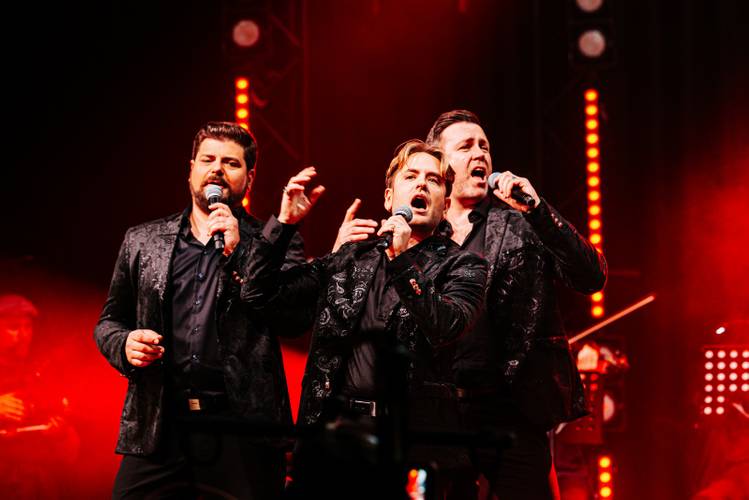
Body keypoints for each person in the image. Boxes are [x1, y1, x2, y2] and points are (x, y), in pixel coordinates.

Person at [242, 140, 488, 498]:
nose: (421, 184)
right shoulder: (350, 256)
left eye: (433, 180)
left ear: (445, 204)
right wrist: (284, 225)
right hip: (334, 437)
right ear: (389, 198)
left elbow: (446, 326)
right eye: (411, 176)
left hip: (410, 444)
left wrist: (402, 259)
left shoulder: (465, 265)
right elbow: (259, 296)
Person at [94, 122, 305, 499]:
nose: (217, 169)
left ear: (250, 178)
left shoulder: (276, 243)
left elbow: (291, 318)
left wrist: (241, 251)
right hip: (162, 423)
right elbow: (109, 321)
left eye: (231, 163)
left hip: (241, 428)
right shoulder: (142, 240)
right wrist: (124, 344)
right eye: (208, 159)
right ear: (191, 169)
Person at [426, 109, 608, 498]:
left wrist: (538, 210)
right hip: (444, 411)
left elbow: (591, 276)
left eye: (484, 146)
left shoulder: (521, 224)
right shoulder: (423, 234)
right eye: (466, 146)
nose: (480, 153)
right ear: (440, 164)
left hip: (512, 408)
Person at [0, 294, 79, 498]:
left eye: (27, 327)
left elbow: (71, 455)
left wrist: (61, 434)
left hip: (37, 486)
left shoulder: (40, 376)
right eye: (13, 327)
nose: (23, 335)